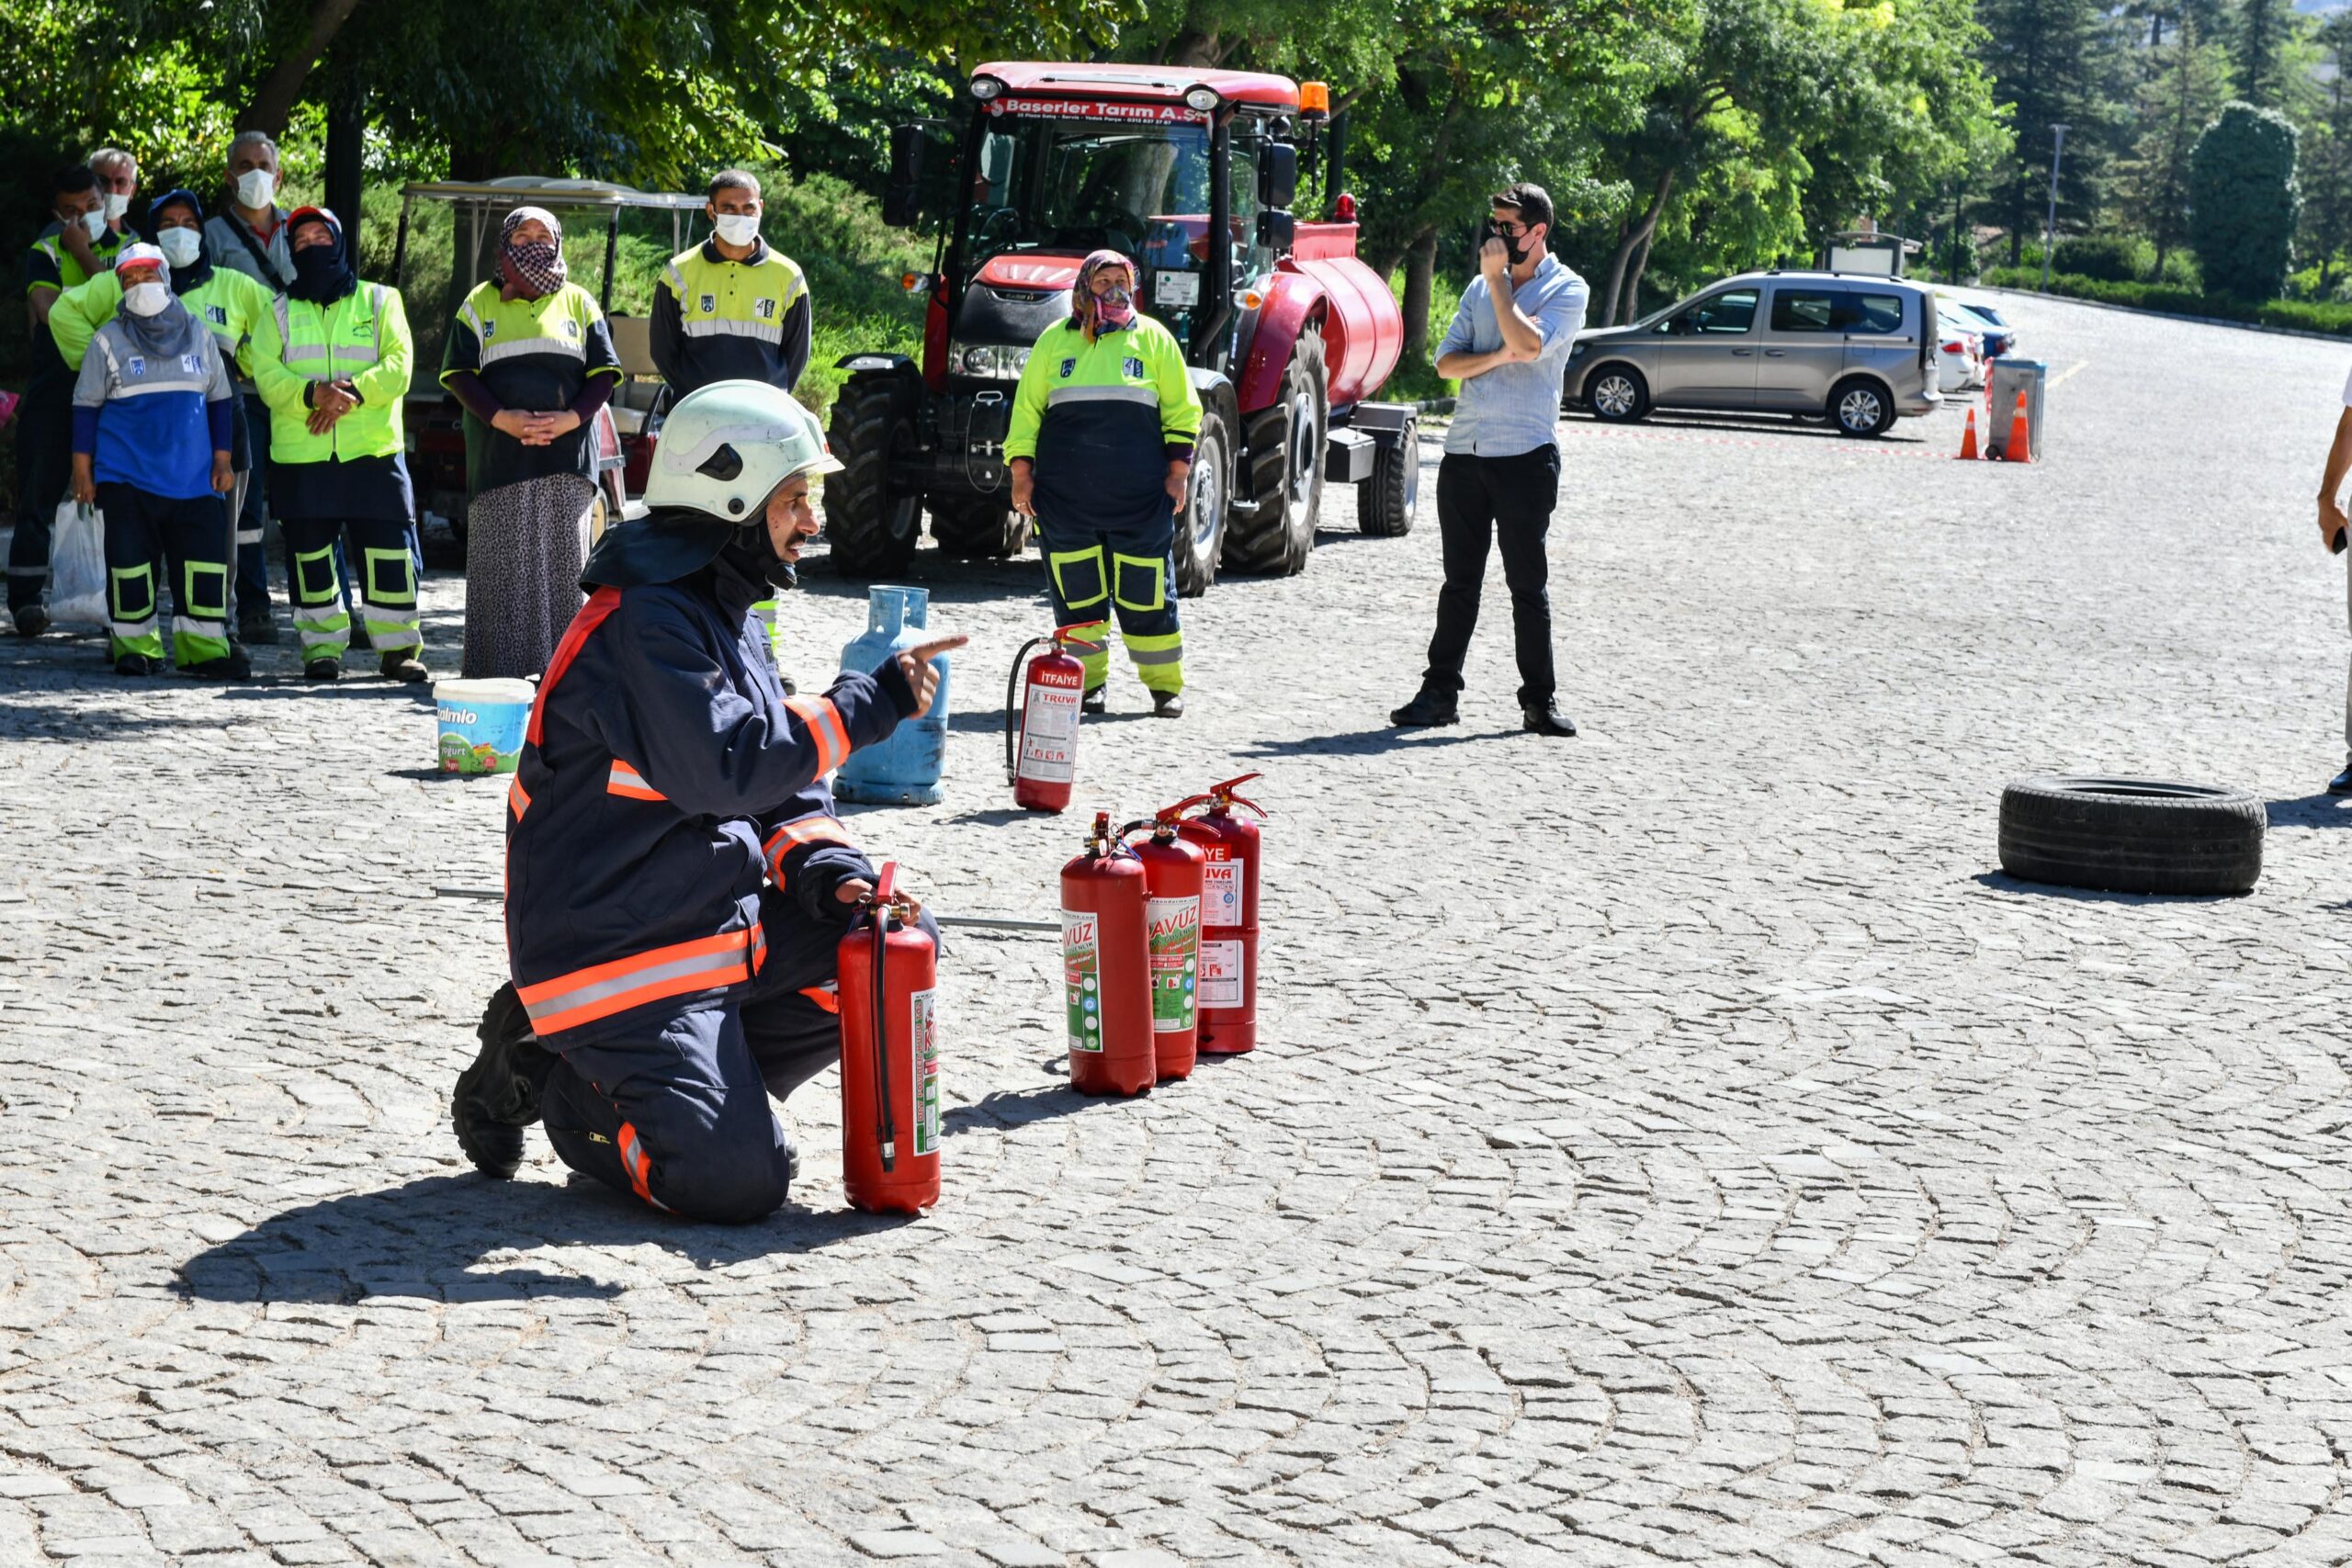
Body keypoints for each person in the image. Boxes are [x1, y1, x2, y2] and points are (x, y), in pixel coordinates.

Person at [449, 381, 963, 1224]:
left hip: (703, 929)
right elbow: (731, 768)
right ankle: (559, 1079)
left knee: (885, 944)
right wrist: (866, 705)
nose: (814, 522)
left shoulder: (722, 613)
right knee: (737, 1185)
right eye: (797, 499)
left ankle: (701, 1096)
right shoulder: (646, 627)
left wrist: (835, 878)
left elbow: (784, 791)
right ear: (735, 498)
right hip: (616, 956)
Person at [1390, 183, 1587, 738]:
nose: (1497, 238)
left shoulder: (1567, 289)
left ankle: (1539, 702)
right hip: (1464, 453)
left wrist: (1501, 293)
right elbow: (1446, 364)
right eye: (1494, 226)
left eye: (1509, 228)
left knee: (1527, 584)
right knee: (1459, 583)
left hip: (1525, 455)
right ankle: (1438, 694)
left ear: (1538, 232)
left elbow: (1530, 348)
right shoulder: (1479, 288)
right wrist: (1497, 350)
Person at [50, 190, 277, 649]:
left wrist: (247, 367)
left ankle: (218, 634)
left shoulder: (222, 300)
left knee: (217, 547)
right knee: (134, 552)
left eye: (189, 222)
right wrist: (99, 362)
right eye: (168, 222)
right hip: (131, 460)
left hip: (206, 451)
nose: (179, 230)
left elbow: (272, 334)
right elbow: (66, 332)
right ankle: (136, 643)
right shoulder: (113, 315)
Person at [1005, 249, 1200, 717]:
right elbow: (1027, 412)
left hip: (1139, 499)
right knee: (1078, 598)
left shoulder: (1154, 340)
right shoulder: (1055, 341)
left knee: (1146, 594)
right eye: (1103, 279)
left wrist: (1178, 475)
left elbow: (1182, 411)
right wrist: (1021, 476)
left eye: (1122, 279)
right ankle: (1088, 685)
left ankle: (1164, 687)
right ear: (1084, 285)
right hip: (1066, 501)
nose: (1114, 288)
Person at [440, 206, 622, 679]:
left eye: (545, 234)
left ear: (559, 243)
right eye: (523, 234)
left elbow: (604, 375)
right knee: (500, 580)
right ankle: (495, 680)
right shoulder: (480, 302)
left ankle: (565, 679)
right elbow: (459, 373)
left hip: (567, 462)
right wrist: (502, 418)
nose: (534, 242)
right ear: (505, 243)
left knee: (565, 574)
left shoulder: (580, 302)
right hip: (499, 462)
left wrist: (569, 419)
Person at [249, 206, 428, 683]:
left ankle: (397, 650)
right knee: (309, 556)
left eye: (319, 237)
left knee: (390, 551)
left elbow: (400, 365)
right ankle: (321, 650)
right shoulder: (278, 311)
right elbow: (266, 374)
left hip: (373, 453)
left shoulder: (380, 300)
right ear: (291, 253)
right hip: (302, 458)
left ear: (340, 241)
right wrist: (312, 394)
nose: (312, 248)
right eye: (302, 243)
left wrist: (347, 392)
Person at [67, 243, 243, 679]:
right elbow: (85, 406)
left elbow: (220, 399)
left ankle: (204, 649)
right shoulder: (107, 339)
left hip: (195, 478)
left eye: (147, 276)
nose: (138, 285)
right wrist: (82, 471)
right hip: (126, 478)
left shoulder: (199, 334)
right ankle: (136, 648)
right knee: (129, 564)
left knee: (203, 564)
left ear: (165, 279)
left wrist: (223, 459)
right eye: (128, 278)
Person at [12, 165, 127, 637]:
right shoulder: (45, 251)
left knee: (117, 497)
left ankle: (117, 604)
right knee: (39, 492)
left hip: (117, 392)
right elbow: (50, 312)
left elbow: (136, 304)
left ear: (107, 201)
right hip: (56, 390)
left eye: (93, 206)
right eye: (72, 211)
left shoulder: (129, 250)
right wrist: (79, 256)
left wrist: (90, 258)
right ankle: (24, 602)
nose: (83, 218)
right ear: (55, 213)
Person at [205, 130, 299, 645]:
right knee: (245, 503)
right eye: (243, 164)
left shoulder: (306, 230)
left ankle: (330, 607)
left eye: (263, 164)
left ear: (278, 175)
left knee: (311, 501)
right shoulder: (211, 237)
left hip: (303, 389)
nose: (254, 174)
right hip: (245, 390)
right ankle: (254, 607)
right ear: (228, 175)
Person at [649, 170, 811, 399]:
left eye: (749, 208)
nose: (740, 216)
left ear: (761, 208)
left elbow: (797, 355)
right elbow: (662, 350)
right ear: (710, 211)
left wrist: (773, 396)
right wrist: (690, 391)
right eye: (729, 208)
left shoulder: (788, 276)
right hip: (697, 411)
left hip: (764, 414)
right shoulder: (679, 273)